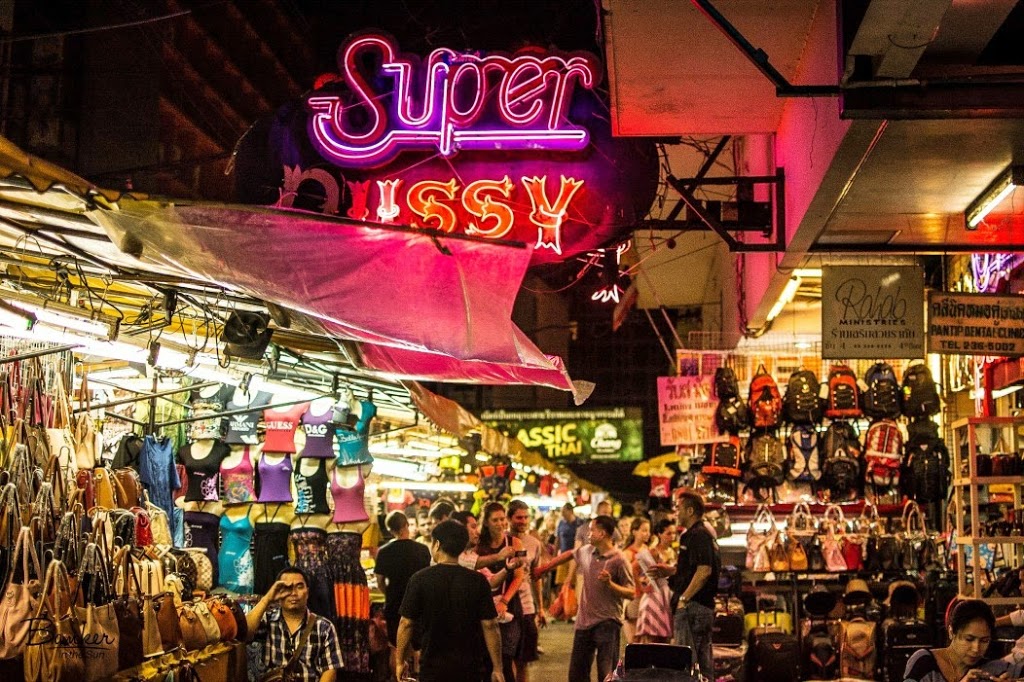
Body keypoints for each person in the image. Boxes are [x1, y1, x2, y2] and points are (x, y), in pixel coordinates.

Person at [397, 519, 505, 682]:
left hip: (433, 669)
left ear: (437, 544)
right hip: (470, 669)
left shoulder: (419, 579)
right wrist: (497, 668)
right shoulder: (478, 581)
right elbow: (490, 625)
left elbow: (406, 623)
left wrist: (400, 661)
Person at [535, 514, 635, 682]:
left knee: (607, 675)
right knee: (577, 674)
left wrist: (610, 584)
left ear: (602, 534)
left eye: (591, 530)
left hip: (608, 622)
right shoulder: (587, 551)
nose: (588, 534)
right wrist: (544, 568)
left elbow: (631, 593)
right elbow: (569, 554)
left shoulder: (619, 560)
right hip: (584, 622)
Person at [246, 566, 345, 682]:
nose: (293, 593)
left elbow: (330, 671)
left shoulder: (324, 627)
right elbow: (244, 632)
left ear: (307, 592)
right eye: (287, 588)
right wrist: (267, 599)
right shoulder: (267, 621)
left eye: (299, 587)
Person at [661, 490, 720, 681]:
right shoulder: (695, 535)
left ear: (690, 511)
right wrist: (671, 571)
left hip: (694, 609)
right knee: (701, 666)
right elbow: (693, 569)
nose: (675, 513)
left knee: (688, 666)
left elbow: (704, 571)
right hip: (697, 608)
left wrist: (684, 599)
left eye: (678, 508)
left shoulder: (699, 535)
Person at [374, 511, 431, 672]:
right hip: (419, 603)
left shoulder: (384, 551)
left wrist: (388, 593)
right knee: (418, 646)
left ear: (390, 529)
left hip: (394, 605)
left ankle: (399, 678)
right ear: (406, 525)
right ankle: (418, 675)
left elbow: (379, 581)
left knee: (396, 646)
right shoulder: (422, 549)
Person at [477, 502, 527, 682]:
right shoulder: (478, 545)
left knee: (506, 658)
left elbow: (519, 576)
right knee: (485, 660)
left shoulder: (515, 543)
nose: (500, 523)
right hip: (483, 606)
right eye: (495, 520)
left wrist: (504, 601)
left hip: (508, 606)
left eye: (502, 519)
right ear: (486, 522)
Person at [904, 599, 1009, 682]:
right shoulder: (924, 661)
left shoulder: (994, 669)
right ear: (951, 632)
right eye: (969, 639)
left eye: (984, 641)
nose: (976, 649)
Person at [508, 500, 545, 682]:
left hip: (526, 606)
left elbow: (536, 578)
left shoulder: (534, 543)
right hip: (505, 605)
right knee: (506, 659)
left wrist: (541, 608)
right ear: (509, 518)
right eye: (519, 517)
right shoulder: (501, 541)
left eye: (525, 517)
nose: (523, 521)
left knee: (523, 660)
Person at [635, 518, 675, 644]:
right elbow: (635, 567)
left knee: (665, 636)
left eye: (674, 533)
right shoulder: (654, 551)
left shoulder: (673, 552)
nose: (672, 537)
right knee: (651, 634)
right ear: (659, 534)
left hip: (667, 594)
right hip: (654, 595)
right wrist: (641, 588)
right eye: (668, 533)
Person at [620, 517, 650, 643]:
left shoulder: (647, 550)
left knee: (645, 638)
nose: (647, 534)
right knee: (634, 638)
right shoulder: (627, 553)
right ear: (634, 532)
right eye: (644, 530)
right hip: (634, 597)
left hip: (647, 597)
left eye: (648, 531)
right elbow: (624, 576)